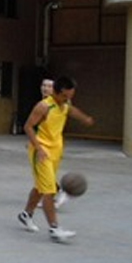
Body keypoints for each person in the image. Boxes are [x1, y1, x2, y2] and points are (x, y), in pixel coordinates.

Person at [17, 76, 94, 242]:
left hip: (55, 151)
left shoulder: (64, 105)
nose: (67, 100)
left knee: (41, 187)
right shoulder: (44, 106)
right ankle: (54, 228)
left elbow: (72, 111)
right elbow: (28, 126)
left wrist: (85, 119)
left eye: (70, 96)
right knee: (49, 191)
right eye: (65, 96)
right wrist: (38, 149)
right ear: (56, 93)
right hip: (41, 152)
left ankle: (26, 214)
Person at [38, 76, 68, 209]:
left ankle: (61, 192)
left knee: (46, 172)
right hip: (42, 144)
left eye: (49, 86)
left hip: (52, 145)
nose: (45, 88)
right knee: (43, 173)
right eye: (44, 85)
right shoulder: (43, 104)